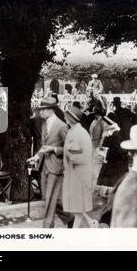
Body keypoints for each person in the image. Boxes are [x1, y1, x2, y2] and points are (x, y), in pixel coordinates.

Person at [27, 97, 72, 228]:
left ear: (52, 110)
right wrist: (36, 156)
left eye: (44, 110)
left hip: (56, 168)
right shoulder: (43, 124)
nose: (41, 112)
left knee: (50, 201)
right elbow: (44, 145)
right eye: (40, 109)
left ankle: (47, 230)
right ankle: (72, 220)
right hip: (44, 167)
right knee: (49, 200)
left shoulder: (62, 126)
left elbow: (70, 148)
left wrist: (55, 149)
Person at [62, 106, 93, 228]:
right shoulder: (72, 131)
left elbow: (84, 155)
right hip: (73, 172)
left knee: (78, 204)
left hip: (80, 173)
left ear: (70, 118)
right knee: (75, 203)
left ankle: (75, 230)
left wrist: (70, 157)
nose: (64, 117)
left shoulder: (80, 133)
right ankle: (91, 222)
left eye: (66, 116)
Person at [96, 114, 127, 187]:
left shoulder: (115, 135)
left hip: (114, 166)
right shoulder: (110, 133)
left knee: (110, 185)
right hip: (110, 163)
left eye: (105, 125)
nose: (104, 126)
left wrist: (105, 153)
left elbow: (119, 151)